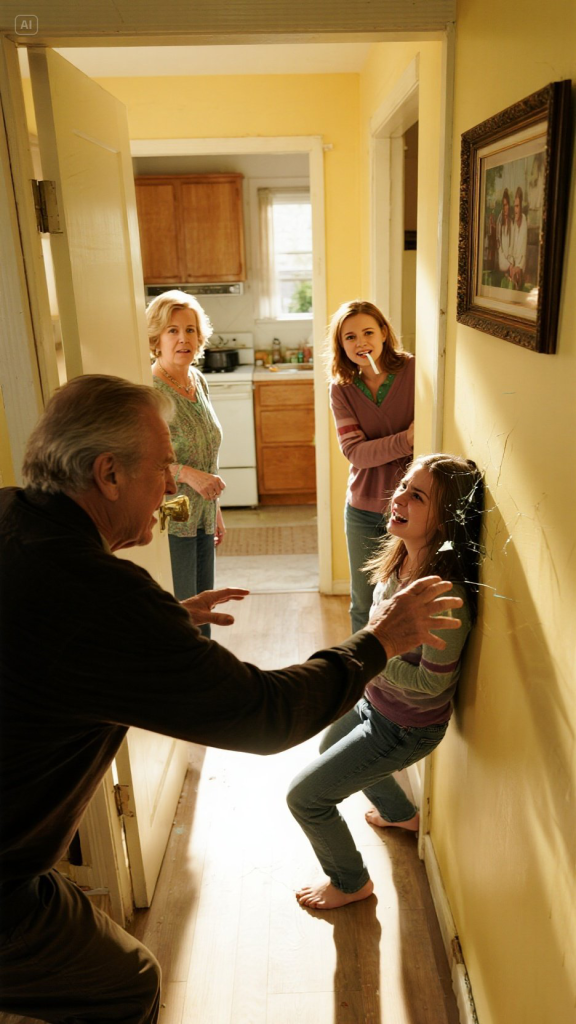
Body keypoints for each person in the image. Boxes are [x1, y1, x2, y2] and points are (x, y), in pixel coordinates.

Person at [0, 375, 464, 1024]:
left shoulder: (12, 519)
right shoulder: (97, 598)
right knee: (126, 986)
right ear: (108, 474)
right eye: (163, 467)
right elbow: (264, 715)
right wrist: (379, 643)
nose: (170, 486)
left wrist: (161, 626)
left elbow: (53, 640)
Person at [287, 453, 483, 911]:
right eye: (403, 487)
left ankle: (351, 882)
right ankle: (401, 815)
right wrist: (372, 658)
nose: (399, 498)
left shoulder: (444, 597)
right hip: (375, 704)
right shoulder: (400, 562)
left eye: (418, 496)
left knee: (306, 798)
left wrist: (373, 657)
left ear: (447, 520)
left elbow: (432, 684)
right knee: (327, 747)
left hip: (405, 728)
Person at [327, 299, 415, 632]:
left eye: (368, 332)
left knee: (404, 601)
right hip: (363, 511)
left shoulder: (413, 371)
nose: (361, 343)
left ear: (383, 333)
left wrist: (383, 446)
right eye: (350, 337)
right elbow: (356, 454)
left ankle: (399, 668)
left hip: (413, 508)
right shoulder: (341, 389)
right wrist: (406, 440)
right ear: (341, 345)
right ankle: (360, 666)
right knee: (364, 605)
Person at [147, 289, 225, 636]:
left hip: (203, 514)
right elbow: (143, 462)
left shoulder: (198, 381)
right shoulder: (150, 391)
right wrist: (187, 474)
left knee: (203, 608)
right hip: (171, 515)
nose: (184, 339)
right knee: (182, 613)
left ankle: (204, 666)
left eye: (190, 330)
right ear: (156, 339)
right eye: (173, 330)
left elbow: (207, 450)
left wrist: (215, 509)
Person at [509, 186, 527, 289]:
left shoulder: (524, 223)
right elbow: (512, 249)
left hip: (521, 270)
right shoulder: (514, 225)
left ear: (521, 207)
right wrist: (511, 264)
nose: (516, 210)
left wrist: (518, 267)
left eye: (517, 206)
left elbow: (524, 253)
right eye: (515, 206)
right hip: (514, 269)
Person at [496, 187, 514, 276]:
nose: (505, 208)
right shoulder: (499, 221)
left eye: (506, 205)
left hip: (509, 257)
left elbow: (512, 244)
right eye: (503, 205)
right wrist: (507, 262)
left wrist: (510, 260)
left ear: (509, 206)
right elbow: (499, 245)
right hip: (502, 257)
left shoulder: (511, 222)